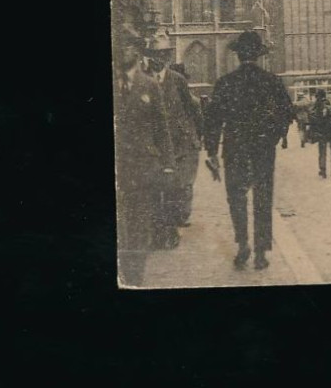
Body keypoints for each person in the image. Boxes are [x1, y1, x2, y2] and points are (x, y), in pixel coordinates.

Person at [203, 31, 296, 271]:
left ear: (238, 55)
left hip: (234, 147)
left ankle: (243, 243)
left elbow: (212, 120)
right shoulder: (271, 80)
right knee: (263, 198)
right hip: (263, 148)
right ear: (258, 55)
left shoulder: (225, 83)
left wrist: (212, 151)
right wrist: (275, 136)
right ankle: (261, 252)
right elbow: (287, 113)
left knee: (237, 197)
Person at [114, 38, 173, 285]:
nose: (126, 50)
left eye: (131, 46)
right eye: (122, 46)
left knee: (139, 223)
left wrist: (168, 162)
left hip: (142, 166)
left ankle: (135, 279)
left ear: (138, 52)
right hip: (119, 165)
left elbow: (162, 127)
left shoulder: (149, 85)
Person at [158, 59, 203, 231]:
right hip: (168, 141)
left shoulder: (181, 86)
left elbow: (195, 115)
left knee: (184, 181)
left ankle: (182, 214)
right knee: (172, 181)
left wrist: (197, 137)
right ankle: (173, 215)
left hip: (185, 140)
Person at [306, 89, 331, 178]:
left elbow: (310, 121)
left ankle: (323, 170)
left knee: (322, 152)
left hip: (321, 133)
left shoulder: (314, 108)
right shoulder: (330, 106)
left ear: (317, 97)